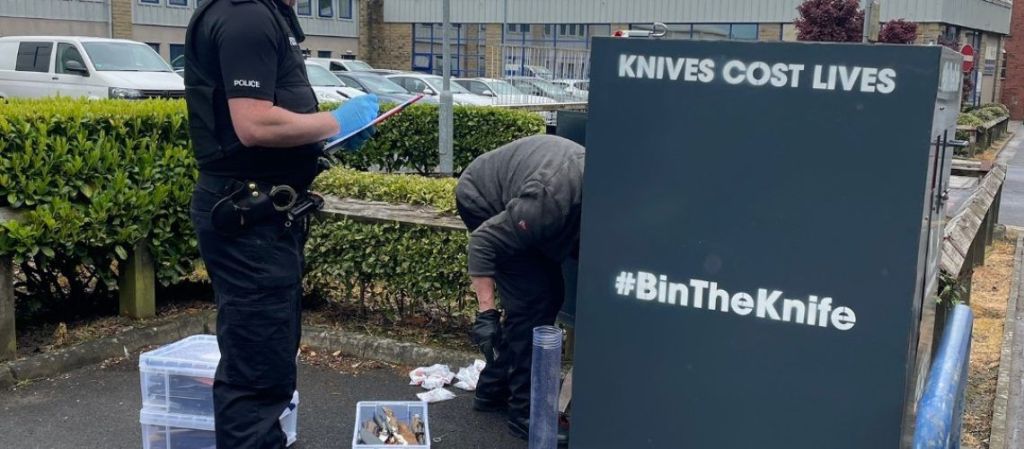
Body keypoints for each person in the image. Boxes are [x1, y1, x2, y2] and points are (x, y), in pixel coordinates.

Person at [183, 0, 378, 448]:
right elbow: (253, 124)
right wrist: (334, 121)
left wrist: (325, 135)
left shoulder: (260, 13)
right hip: (249, 217)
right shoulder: (246, 16)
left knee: (266, 360)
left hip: (261, 214)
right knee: (256, 373)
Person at [455, 134, 584, 445]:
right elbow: (484, 242)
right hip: (482, 198)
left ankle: (492, 389)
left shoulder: (591, 198)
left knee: (548, 293)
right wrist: (486, 314)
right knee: (534, 302)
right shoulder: (550, 201)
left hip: (527, 190)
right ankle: (525, 413)